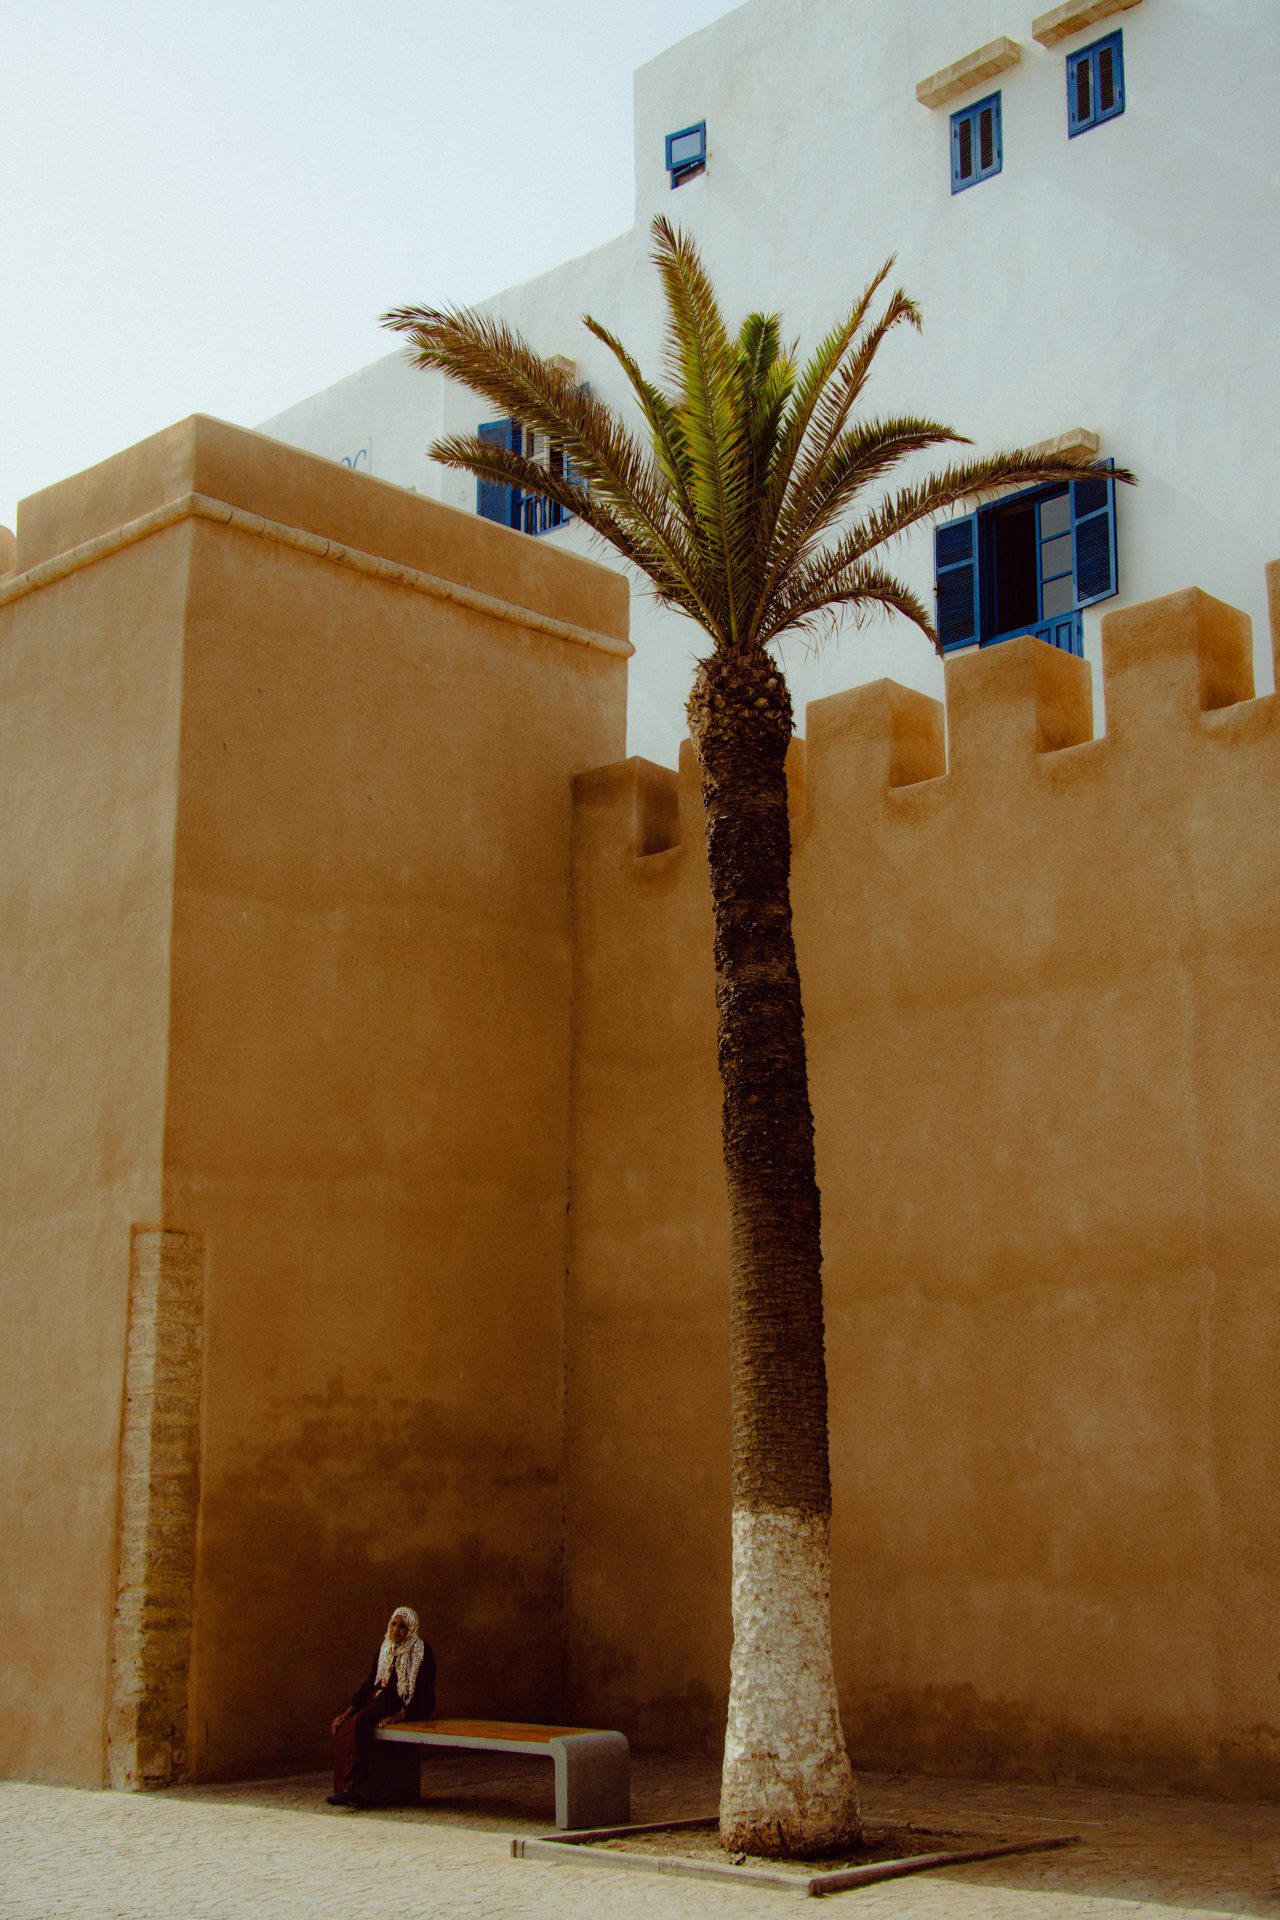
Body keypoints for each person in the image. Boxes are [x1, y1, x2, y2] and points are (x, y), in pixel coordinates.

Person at [328, 1605, 436, 1807]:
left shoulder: (421, 1652)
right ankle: (342, 1787)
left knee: (361, 1724)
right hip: (379, 1699)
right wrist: (347, 1711)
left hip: (400, 1702)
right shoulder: (385, 1648)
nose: (396, 1630)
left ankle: (356, 1788)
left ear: (411, 1629)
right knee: (344, 1726)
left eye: (402, 1626)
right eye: (393, 1624)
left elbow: (425, 1692)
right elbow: (370, 1684)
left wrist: (404, 1713)